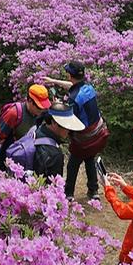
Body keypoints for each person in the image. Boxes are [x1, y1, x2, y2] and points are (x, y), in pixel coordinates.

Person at [46, 63, 105, 200]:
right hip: (96, 133)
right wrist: (54, 81)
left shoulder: (74, 97)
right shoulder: (89, 87)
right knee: (89, 159)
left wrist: (57, 105)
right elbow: (72, 86)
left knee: (73, 164)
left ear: (69, 75)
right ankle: (93, 190)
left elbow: (70, 118)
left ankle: (69, 194)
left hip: (83, 137)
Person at [0, 85, 51, 172]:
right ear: (30, 101)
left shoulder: (40, 113)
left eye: (43, 107)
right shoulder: (13, 113)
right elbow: (0, 138)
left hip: (25, 154)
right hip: (8, 153)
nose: (42, 110)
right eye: (39, 107)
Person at [31, 103, 84, 179]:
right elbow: (55, 188)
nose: (68, 129)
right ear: (54, 122)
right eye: (66, 125)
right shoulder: (55, 154)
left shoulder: (37, 130)